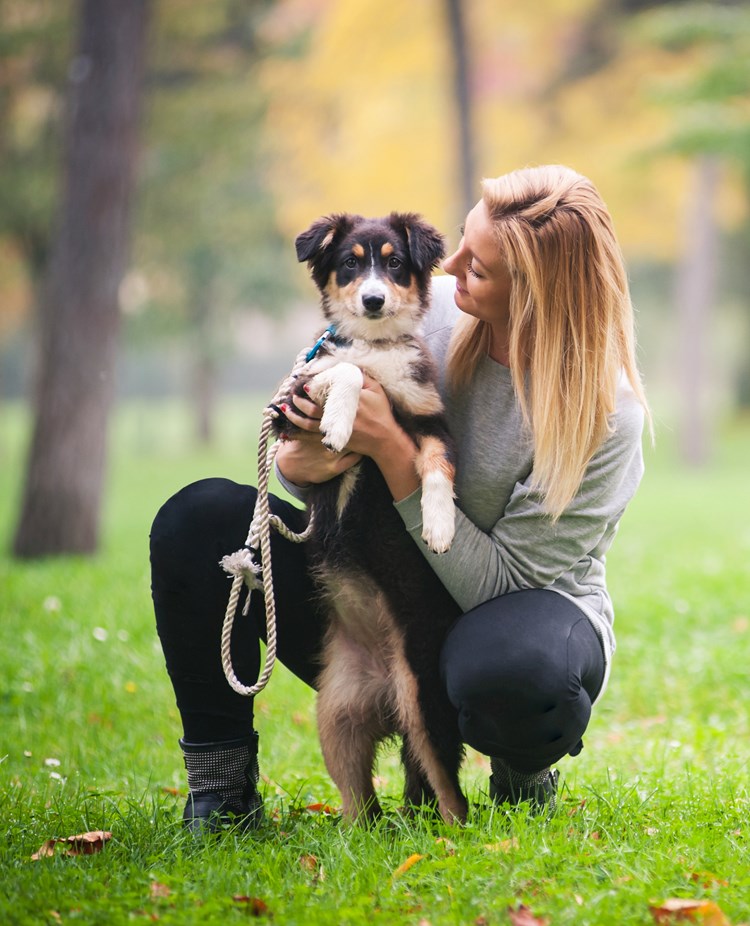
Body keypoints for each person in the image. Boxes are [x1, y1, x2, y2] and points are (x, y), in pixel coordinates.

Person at [150, 164, 650, 832]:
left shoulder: (606, 413)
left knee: (514, 667)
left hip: (505, 617)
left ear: (533, 294)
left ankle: (520, 764)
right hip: (366, 582)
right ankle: (222, 790)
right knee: (198, 521)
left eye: (478, 267)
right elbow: (298, 454)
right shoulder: (410, 303)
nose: (449, 266)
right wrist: (304, 454)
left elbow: (504, 585)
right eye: (463, 239)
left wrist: (391, 448)